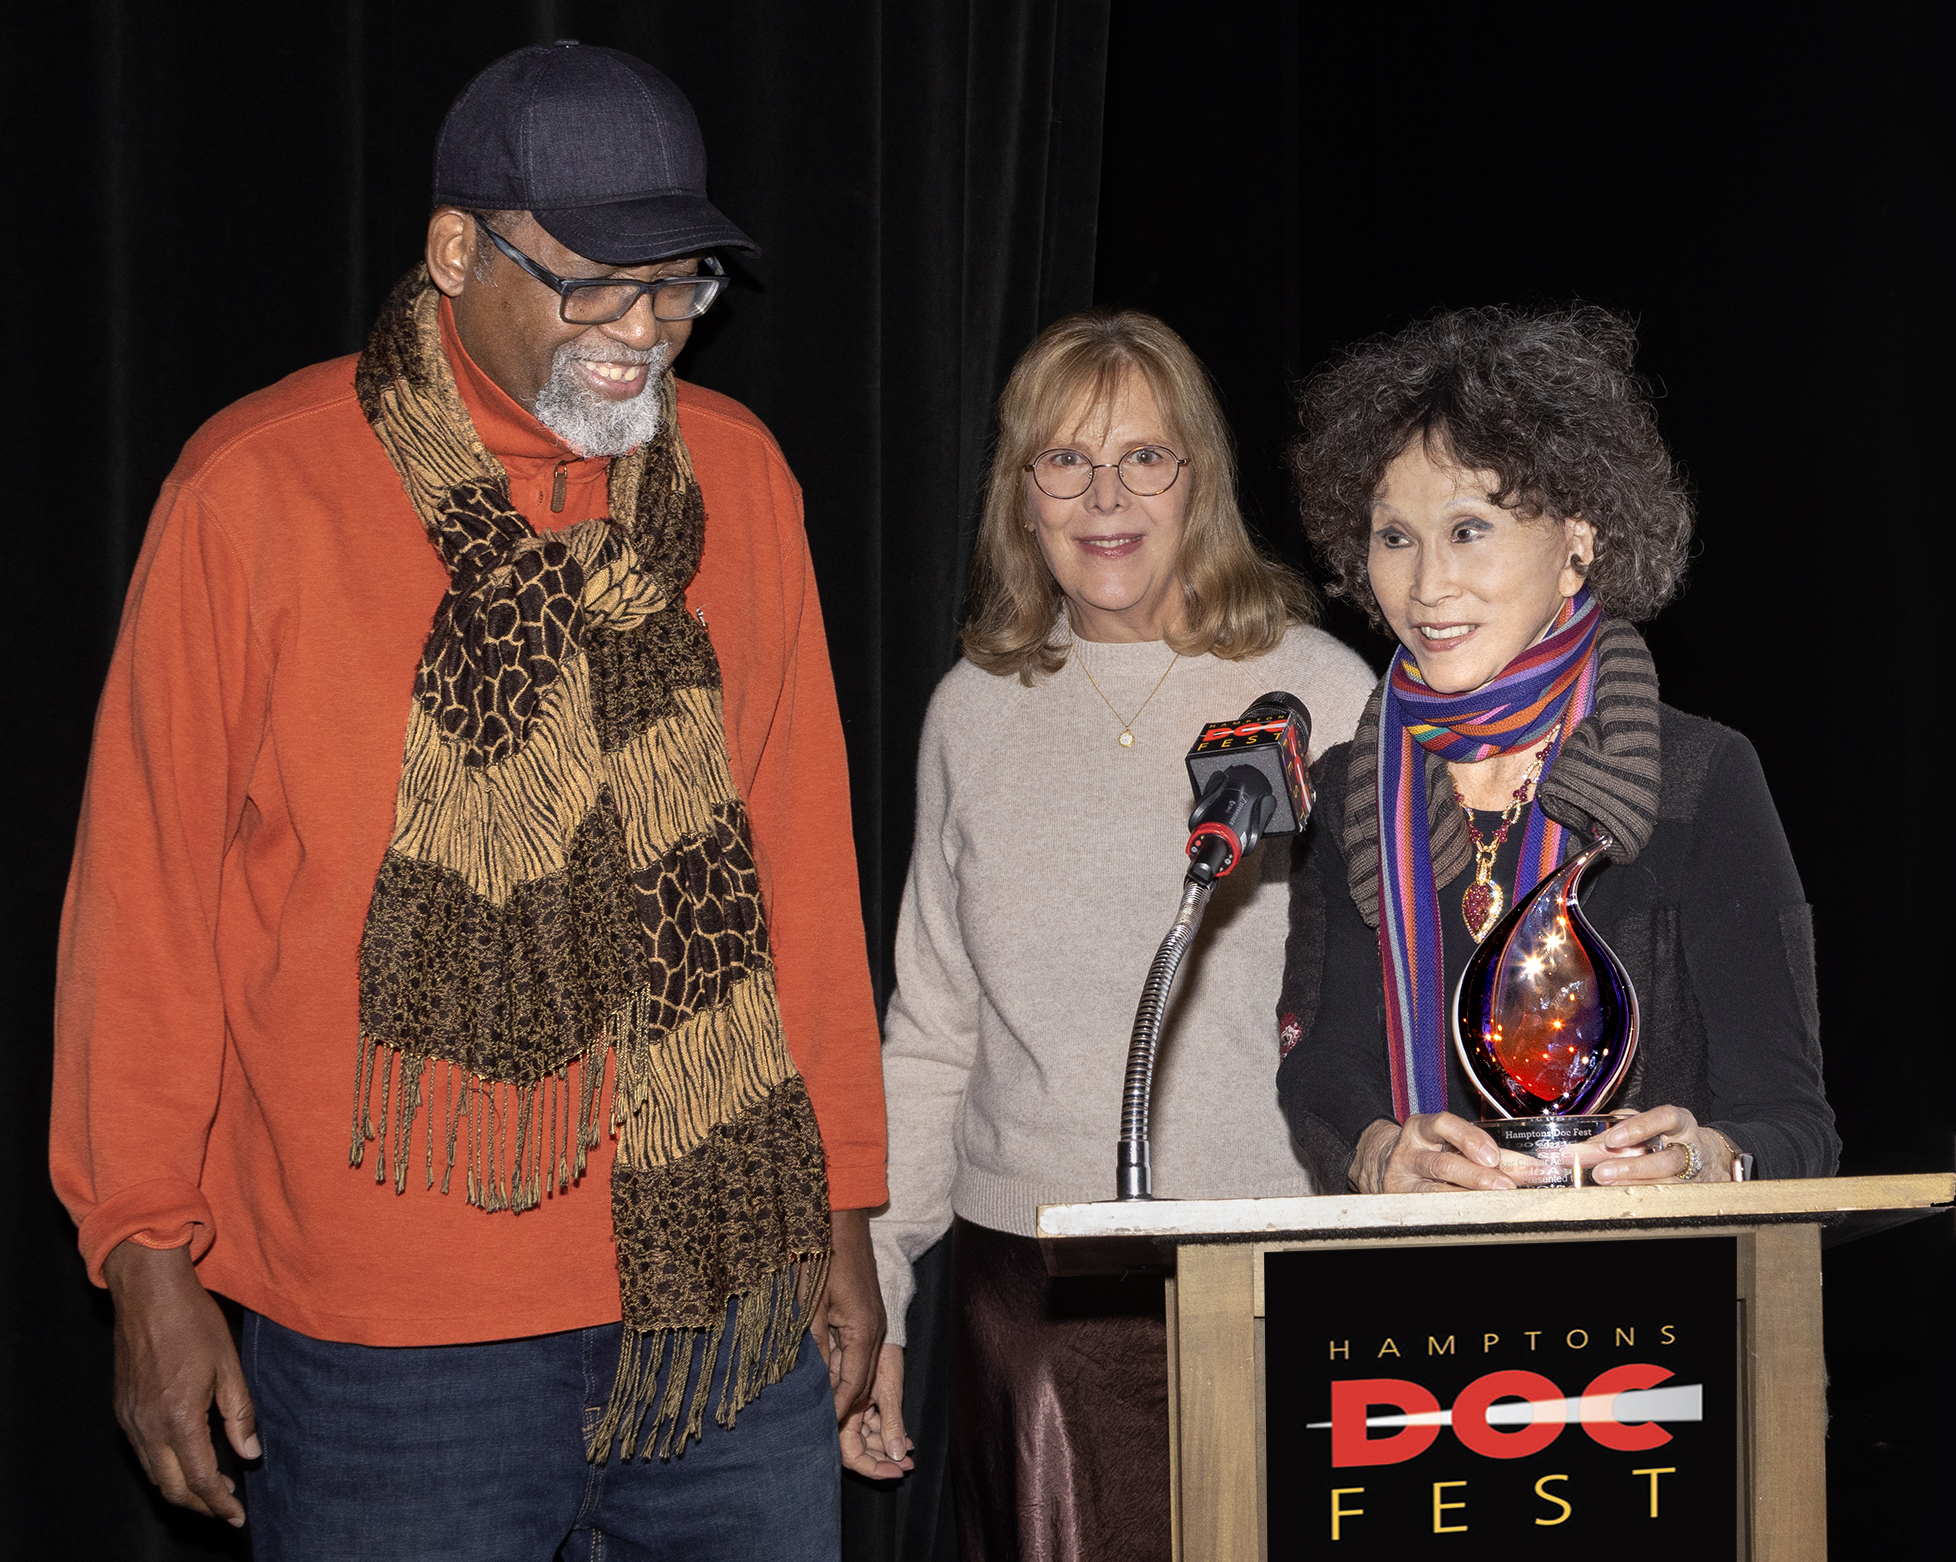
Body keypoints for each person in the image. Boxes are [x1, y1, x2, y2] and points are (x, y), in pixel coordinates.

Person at [51, 42, 897, 1561]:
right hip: (387, 1347)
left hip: (724, 1305)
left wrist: (844, 1204)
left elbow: (801, 878)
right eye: (595, 284)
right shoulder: (256, 491)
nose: (645, 332)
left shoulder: (746, 484)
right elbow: (145, 904)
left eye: (680, 284)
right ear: (457, 253)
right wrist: (143, 1252)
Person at [857, 310, 1376, 1558]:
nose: (1106, 496)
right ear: (1019, 492)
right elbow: (933, 1027)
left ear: (1197, 477)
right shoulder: (971, 711)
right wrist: (880, 1293)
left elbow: (1399, 999)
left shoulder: (1320, 690)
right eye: (1065, 460)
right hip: (1038, 1298)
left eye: (1145, 457)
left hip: (1277, 1268)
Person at [1276, 304, 1838, 1197]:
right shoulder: (1349, 788)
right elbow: (1322, 1076)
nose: (1426, 585)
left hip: (1651, 1316)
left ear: (1578, 540)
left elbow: (1797, 1123)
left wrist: (1707, 1158)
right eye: (1394, 537)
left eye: (1468, 529)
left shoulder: (1701, 778)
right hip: (1408, 1311)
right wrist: (1382, 1151)